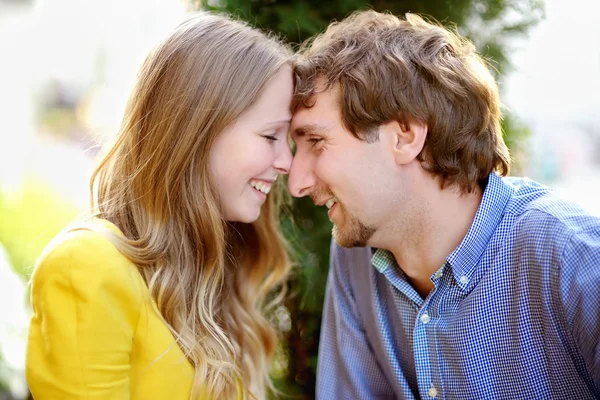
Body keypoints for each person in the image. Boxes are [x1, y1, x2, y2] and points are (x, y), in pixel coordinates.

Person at [288, 10, 600, 400]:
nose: (297, 183)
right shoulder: (356, 255)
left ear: (404, 136)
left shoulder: (573, 258)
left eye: (316, 142)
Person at [26, 11, 294, 400]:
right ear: (198, 132)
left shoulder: (212, 273)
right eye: (271, 136)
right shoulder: (85, 264)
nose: (286, 161)